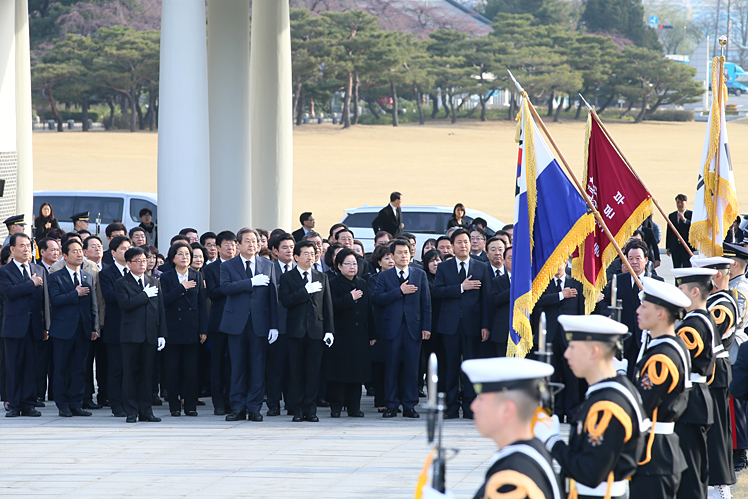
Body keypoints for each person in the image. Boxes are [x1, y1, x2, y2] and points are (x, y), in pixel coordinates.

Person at [534, 315, 644, 499]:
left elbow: (590, 472)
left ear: (594, 352)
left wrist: (552, 441)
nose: (566, 354)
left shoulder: (606, 404)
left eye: (573, 347)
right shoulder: (608, 390)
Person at [422, 357, 561, 499]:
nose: (473, 406)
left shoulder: (512, 476)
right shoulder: (527, 455)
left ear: (507, 410)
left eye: (481, 399)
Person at [628, 277, 691, 499]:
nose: (637, 311)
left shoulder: (661, 357)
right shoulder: (669, 345)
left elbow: (640, 406)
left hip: (654, 454)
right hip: (659, 452)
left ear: (660, 314)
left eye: (644, 306)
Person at [219, 227, 278, 422]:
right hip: (236, 323)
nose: (252, 245)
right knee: (238, 367)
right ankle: (237, 407)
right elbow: (225, 288)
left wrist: (274, 326)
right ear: (238, 245)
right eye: (248, 241)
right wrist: (251, 282)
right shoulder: (228, 265)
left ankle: (254, 408)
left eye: (255, 241)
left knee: (257, 367)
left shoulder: (267, 264)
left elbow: (273, 298)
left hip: (259, 323)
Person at [691, 256, 738, 497]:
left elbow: (711, 331)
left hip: (714, 375)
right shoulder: (715, 300)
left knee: (718, 434)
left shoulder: (723, 302)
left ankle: (720, 487)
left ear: (717, 276)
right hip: (710, 374)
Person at [432, 228, 491, 419]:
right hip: (450, 326)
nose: (464, 245)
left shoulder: (481, 267)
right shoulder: (444, 267)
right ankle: (450, 406)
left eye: (466, 242)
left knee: (470, 367)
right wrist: (460, 287)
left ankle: (469, 406)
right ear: (452, 246)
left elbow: (486, 300)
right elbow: (437, 292)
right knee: (450, 367)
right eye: (459, 242)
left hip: (473, 326)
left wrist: (485, 325)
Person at [672, 267, 718, 499]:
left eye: (680, 289)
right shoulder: (698, 317)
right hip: (697, 398)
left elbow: (678, 362)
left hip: (691, 400)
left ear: (694, 291)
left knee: (690, 473)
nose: (677, 292)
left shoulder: (692, 325)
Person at [373, 240, 431, 419]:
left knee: (412, 369)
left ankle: (409, 405)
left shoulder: (419, 274)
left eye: (406, 252)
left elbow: (426, 303)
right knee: (391, 367)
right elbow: (378, 298)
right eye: (399, 253)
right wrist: (399, 291)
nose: (403, 256)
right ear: (392, 256)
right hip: (392, 329)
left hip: (414, 328)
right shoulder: (384, 276)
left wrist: (426, 327)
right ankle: (391, 405)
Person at [278, 241, 335, 422]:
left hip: (316, 331)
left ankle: (311, 410)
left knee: (313, 372)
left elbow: (328, 305)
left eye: (312, 253)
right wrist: (305, 291)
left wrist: (329, 330)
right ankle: (297, 409)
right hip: (296, 331)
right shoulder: (288, 277)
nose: (310, 257)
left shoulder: (321, 276)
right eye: (306, 254)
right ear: (296, 257)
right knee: (296, 372)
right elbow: (285, 301)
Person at [597, 238, 663, 377]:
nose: (634, 262)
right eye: (630, 258)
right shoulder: (618, 281)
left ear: (646, 260)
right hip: (624, 339)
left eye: (638, 258)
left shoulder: (656, 282)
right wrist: (610, 314)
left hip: (647, 338)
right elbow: (606, 303)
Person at [47, 239, 99, 417]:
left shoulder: (87, 276)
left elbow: (92, 305)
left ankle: (77, 403)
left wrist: (93, 327)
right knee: (61, 367)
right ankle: (62, 405)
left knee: (80, 368)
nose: (79, 254)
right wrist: (74, 293)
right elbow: (55, 300)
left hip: (83, 329)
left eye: (80, 251)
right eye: (74, 251)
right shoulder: (55, 277)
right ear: (65, 255)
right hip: (63, 330)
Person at [115, 246, 167, 423]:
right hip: (131, 335)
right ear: (128, 263)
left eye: (144, 260)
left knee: (147, 375)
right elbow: (125, 305)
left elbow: (160, 309)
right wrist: (144, 295)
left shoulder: (154, 281)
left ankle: (146, 411)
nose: (142, 264)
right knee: (130, 374)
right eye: (137, 261)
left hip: (150, 334)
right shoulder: (122, 283)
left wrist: (162, 334)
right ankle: (131, 410)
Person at [323, 249, 377, 417]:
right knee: (339, 372)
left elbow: (369, 309)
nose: (352, 267)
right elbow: (330, 306)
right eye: (347, 264)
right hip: (340, 334)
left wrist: (373, 333)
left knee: (357, 373)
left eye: (354, 263)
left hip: (360, 334)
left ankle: (354, 407)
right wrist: (349, 298)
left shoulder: (362, 283)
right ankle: (336, 407)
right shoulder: (332, 283)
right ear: (339, 266)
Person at [533, 261, 586, 423]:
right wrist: (561, 295)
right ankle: (554, 411)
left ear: (565, 263)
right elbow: (538, 301)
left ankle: (572, 412)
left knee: (571, 375)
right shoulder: (543, 282)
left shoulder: (576, 282)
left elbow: (580, 311)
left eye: (560, 262)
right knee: (552, 374)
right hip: (550, 335)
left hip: (570, 336)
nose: (557, 266)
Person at [0, 233, 46, 417]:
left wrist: (45, 325)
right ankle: (14, 404)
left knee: (31, 365)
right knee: (13, 366)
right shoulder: (4, 271)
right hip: (14, 325)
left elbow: (44, 299)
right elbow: (10, 292)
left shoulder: (38, 269)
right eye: (22, 246)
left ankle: (29, 403)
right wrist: (31, 283)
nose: (27, 249)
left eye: (28, 245)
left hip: (34, 325)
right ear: (12, 249)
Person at [160, 241, 207, 417]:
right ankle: (174, 405)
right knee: (172, 369)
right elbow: (163, 301)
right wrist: (181, 288)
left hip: (191, 328)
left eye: (187, 254)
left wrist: (203, 329)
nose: (185, 257)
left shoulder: (197, 275)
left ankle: (190, 405)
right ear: (173, 258)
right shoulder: (166, 277)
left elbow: (202, 304)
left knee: (191, 370)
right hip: (172, 329)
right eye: (180, 254)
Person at [204, 230, 236, 416]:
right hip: (218, 320)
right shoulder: (211, 268)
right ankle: (218, 403)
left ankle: (232, 400)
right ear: (217, 248)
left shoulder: (239, 266)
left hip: (237, 321)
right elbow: (213, 293)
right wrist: (232, 288)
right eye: (226, 245)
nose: (230, 248)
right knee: (217, 363)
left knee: (233, 363)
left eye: (233, 245)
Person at [99, 236, 131, 417]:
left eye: (129, 247)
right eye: (123, 248)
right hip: (115, 327)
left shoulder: (135, 271)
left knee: (131, 368)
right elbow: (110, 297)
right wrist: (132, 296)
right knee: (116, 368)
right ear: (113, 253)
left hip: (134, 328)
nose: (127, 251)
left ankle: (129, 402)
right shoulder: (107, 273)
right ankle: (116, 404)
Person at [268, 233, 295, 416]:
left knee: (293, 368)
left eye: (291, 247)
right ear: (275, 251)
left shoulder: (300, 270)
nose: (289, 251)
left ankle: (292, 403)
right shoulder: (268, 269)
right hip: (276, 326)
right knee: (275, 368)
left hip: (296, 326)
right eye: (284, 247)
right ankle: (273, 403)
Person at [368, 244, 396, 412]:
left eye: (392, 257)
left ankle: (395, 398)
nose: (391, 260)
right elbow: (375, 300)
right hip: (379, 326)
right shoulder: (372, 279)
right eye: (387, 258)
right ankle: (381, 401)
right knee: (379, 366)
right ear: (379, 262)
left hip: (397, 326)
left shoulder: (401, 277)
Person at [490, 245, 511, 358]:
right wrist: (514, 289)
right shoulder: (497, 280)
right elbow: (495, 300)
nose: (514, 261)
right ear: (504, 261)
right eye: (511, 258)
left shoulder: (529, 281)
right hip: (502, 330)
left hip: (522, 331)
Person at [667, 194, 693, 269]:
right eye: (678, 202)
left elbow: (693, 227)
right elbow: (669, 231)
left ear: (686, 203)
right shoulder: (672, 216)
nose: (680, 204)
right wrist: (668, 247)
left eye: (682, 202)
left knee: (687, 267)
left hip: (686, 246)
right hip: (675, 247)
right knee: (677, 267)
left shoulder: (691, 214)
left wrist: (684, 220)